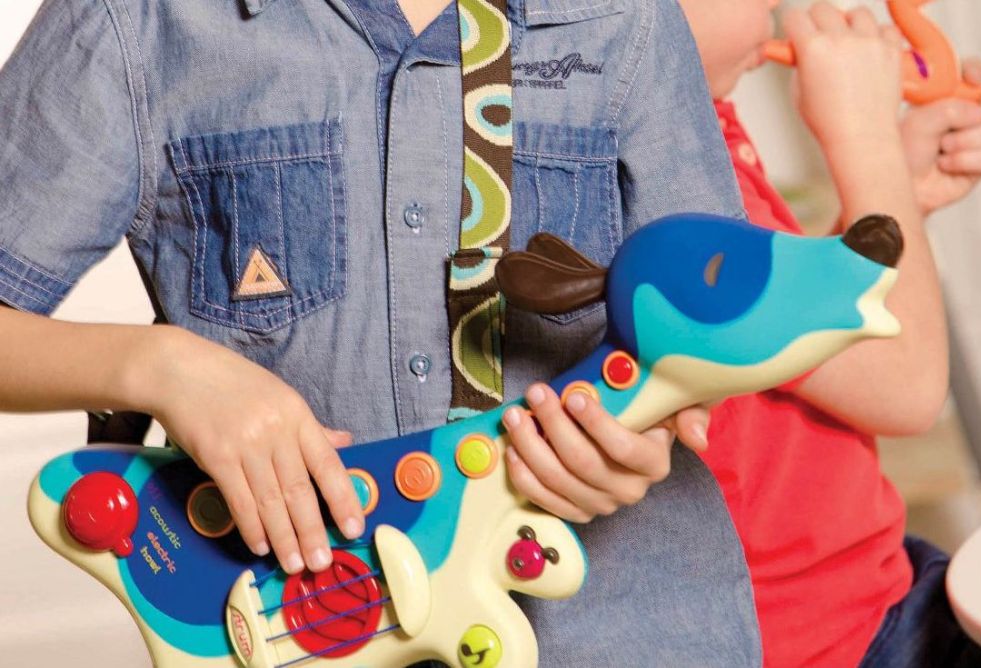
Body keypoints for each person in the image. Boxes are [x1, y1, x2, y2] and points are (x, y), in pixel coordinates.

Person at [0, 0, 763, 664]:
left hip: (627, 632)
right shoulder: (136, 21)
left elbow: (712, 329)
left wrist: (642, 440)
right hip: (302, 632)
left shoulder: (629, 17)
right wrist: (159, 365)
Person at [675, 0, 981, 665]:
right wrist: (864, 140)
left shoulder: (698, 124)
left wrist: (898, 193)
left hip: (866, 590)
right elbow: (906, 384)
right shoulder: (671, 183)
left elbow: (788, 335)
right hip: (823, 643)